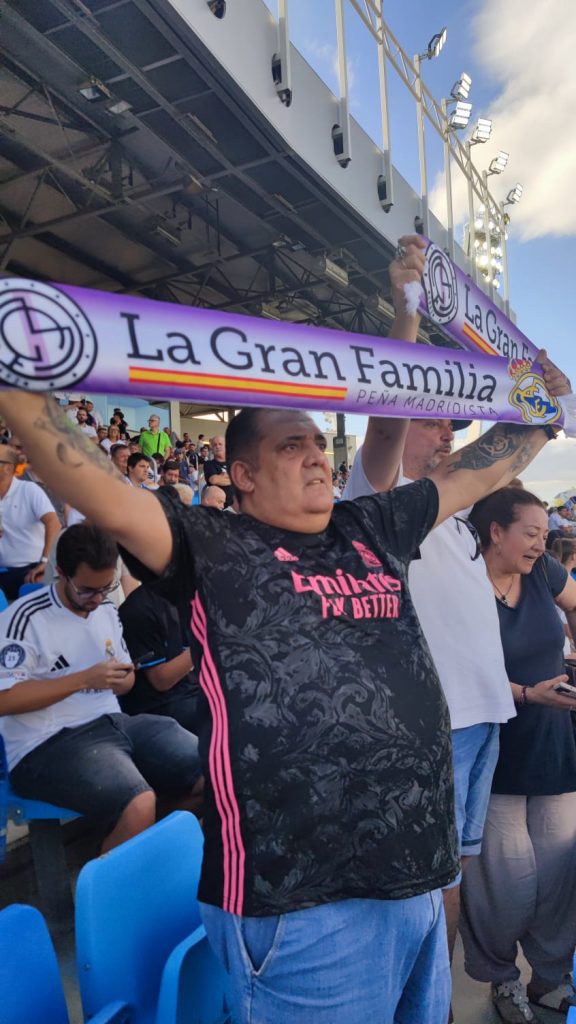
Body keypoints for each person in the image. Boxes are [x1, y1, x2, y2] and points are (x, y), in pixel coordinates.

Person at [0, 239, 569, 1024]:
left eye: (317, 444)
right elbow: (90, 480)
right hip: (301, 904)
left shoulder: (372, 525)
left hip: (416, 876)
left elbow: (479, 469)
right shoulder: (209, 542)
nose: (316, 458)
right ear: (242, 473)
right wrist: (20, 372)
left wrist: (539, 411)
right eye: (291, 445)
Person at [345, 411, 516, 993]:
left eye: (453, 426)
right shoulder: (379, 497)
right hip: (437, 725)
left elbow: (499, 462)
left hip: (483, 717)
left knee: (454, 871)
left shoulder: (457, 513)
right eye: (432, 422)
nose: (448, 434)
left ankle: (434, 1000)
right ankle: (426, 1004)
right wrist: (405, 368)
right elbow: (383, 432)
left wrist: (543, 412)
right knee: (430, 878)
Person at [0, 524, 202, 852]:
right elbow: (4, 699)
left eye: (106, 588)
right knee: (137, 802)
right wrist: (82, 680)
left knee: (215, 773)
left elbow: (126, 685)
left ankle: (144, 849)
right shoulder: (23, 619)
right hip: (46, 742)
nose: (97, 599)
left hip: (114, 723)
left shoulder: (106, 610)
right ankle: (115, 873)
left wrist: (123, 680)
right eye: (87, 591)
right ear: (61, 574)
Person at [460, 488, 576, 1022]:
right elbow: (456, 671)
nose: (539, 545)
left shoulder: (545, 572)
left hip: (553, 743)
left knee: (558, 874)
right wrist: (527, 694)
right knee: (503, 882)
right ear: (495, 532)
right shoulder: (460, 582)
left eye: (544, 535)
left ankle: (550, 978)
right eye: (530, 534)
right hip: (493, 750)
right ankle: (502, 978)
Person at [119, 583, 201, 733]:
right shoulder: (139, 608)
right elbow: (160, 681)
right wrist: (205, 642)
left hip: (194, 690)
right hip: (161, 706)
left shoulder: (196, 597)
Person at [0, 446, 61, 598]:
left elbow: (53, 523)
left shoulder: (28, 490)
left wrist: (45, 562)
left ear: (8, 468)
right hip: (3, 570)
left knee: (35, 584)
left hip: (32, 569)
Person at [203, 436, 234, 508]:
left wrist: (223, 477)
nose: (217, 446)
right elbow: (214, 480)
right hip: (220, 507)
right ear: (212, 449)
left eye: (220, 444)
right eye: (215, 445)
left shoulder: (234, 463)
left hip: (238, 506)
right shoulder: (209, 464)